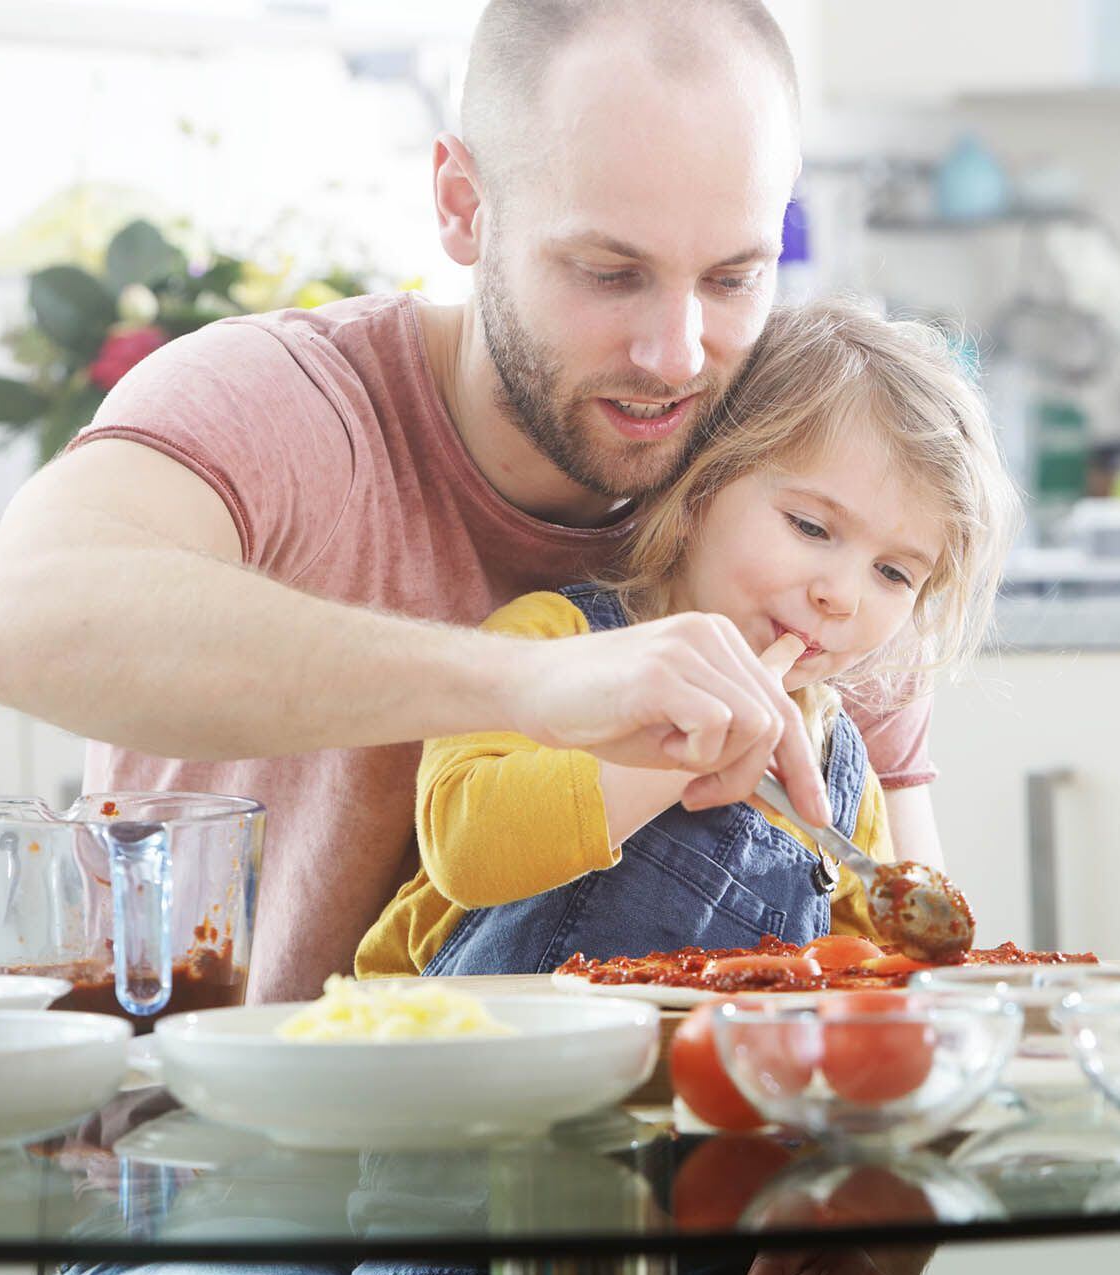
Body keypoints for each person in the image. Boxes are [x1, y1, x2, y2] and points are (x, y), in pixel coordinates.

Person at [0, 0, 949, 1006]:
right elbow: (11, 622)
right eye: (610, 272)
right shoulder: (289, 402)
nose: (677, 355)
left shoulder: (795, 489)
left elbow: (913, 938)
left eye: (735, 276)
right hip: (199, 1135)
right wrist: (527, 684)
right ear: (464, 205)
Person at [356, 298, 1015, 982]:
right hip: (481, 1068)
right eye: (811, 528)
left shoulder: (839, 775)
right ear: (700, 487)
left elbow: (855, 984)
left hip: (705, 1086)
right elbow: (464, 851)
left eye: (893, 572)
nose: (841, 596)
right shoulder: (558, 643)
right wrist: (677, 753)